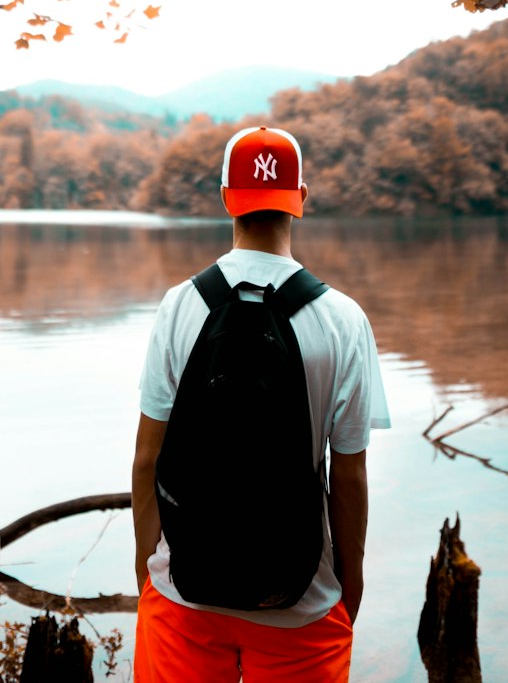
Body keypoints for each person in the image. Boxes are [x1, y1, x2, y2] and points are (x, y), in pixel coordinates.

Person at [131, 124, 390, 682]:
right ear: (301, 199)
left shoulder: (179, 307)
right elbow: (350, 478)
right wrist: (351, 587)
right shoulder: (343, 319)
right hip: (302, 605)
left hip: (184, 600)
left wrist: (146, 573)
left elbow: (148, 462)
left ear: (227, 196)